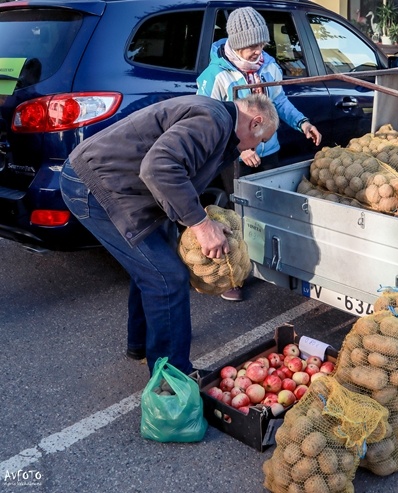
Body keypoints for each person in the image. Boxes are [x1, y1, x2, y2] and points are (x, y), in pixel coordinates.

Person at [59, 93, 279, 376]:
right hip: (96, 187)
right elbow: (159, 168)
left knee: (153, 268)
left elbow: (181, 171)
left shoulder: (217, 119)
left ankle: (142, 346)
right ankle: (173, 378)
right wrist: (200, 225)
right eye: (261, 140)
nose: (257, 147)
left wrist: (200, 217)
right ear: (256, 122)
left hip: (124, 188)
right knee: (167, 277)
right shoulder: (212, 120)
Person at [196, 7, 322, 302]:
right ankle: (230, 277)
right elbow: (205, 123)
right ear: (237, 42)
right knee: (234, 217)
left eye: (262, 44)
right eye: (252, 45)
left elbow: (280, 102)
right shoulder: (215, 76)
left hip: (270, 152)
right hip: (233, 159)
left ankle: (266, 264)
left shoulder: (269, 67)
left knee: (267, 212)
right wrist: (241, 151)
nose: (258, 51)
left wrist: (302, 122)